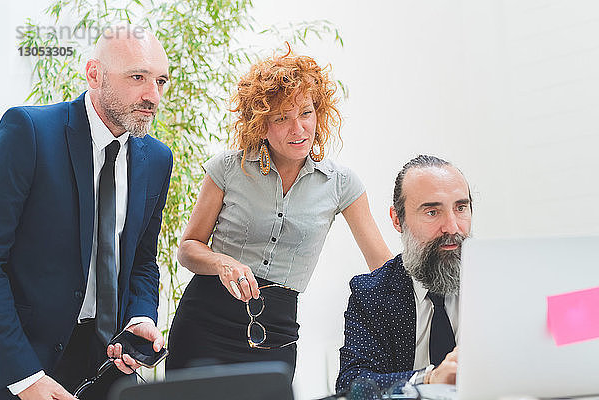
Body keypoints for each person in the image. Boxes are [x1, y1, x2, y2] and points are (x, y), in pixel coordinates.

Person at [166, 47, 392, 375]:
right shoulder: (228, 169)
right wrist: (224, 263)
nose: (298, 128)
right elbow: (188, 249)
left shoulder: (341, 184)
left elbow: (382, 267)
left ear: (320, 113)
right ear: (261, 124)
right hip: (204, 324)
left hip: (276, 333)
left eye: (306, 113)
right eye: (281, 118)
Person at [0, 25, 173, 400]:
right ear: (94, 74)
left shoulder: (157, 159)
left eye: (161, 81)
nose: (153, 95)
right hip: (25, 361)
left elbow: (143, 260)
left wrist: (140, 318)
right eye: (138, 77)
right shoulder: (28, 131)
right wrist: (25, 376)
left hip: (107, 366)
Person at [336, 155, 472, 394]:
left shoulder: (502, 281)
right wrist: (428, 378)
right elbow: (352, 384)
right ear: (397, 220)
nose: (452, 226)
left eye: (460, 208)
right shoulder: (371, 294)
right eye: (432, 212)